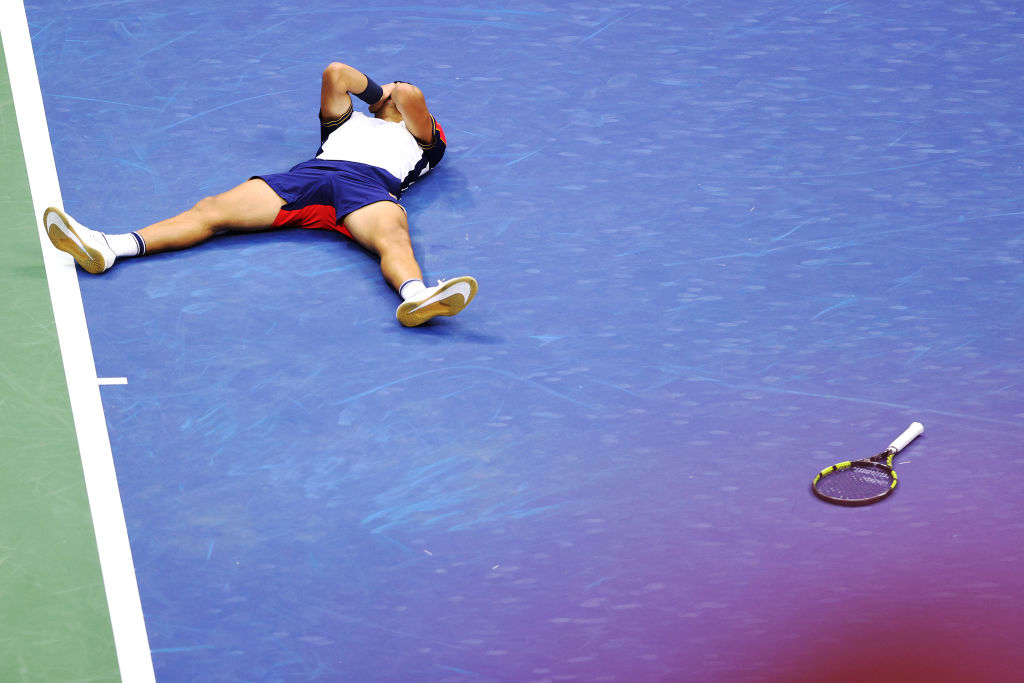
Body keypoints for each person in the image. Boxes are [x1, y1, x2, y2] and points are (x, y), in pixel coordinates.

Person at [43, 61, 477, 327]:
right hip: (307, 178)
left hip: (369, 187)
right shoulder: (347, 123)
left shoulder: (427, 140)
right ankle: (110, 247)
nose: (394, 93)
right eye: (388, 91)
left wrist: (387, 95)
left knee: (393, 238)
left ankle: (417, 297)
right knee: (212, 210)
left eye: (394, 92)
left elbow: (410, 94)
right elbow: (336, 73)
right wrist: (379, 97)